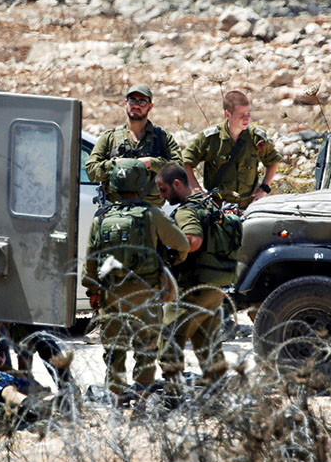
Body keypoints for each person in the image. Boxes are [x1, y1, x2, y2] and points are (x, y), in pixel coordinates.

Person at [82, 158, 190, 400]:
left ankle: (117, 404)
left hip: (112, 295)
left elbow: (91, 259)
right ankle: (141, 407)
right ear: (142, 184)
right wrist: (173, 261)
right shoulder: (152, 215)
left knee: (114, 351)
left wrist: (93, 292)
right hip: (146, 294)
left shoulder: (101, 217)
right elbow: (182, 243)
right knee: (146, 350)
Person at [156, 164, 235, 383]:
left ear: (177, 184)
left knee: (169, 338)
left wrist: (171, 255)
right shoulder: (207, 203)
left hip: (191, 288)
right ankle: (217, 391)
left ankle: (172, 394)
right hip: (213, 288)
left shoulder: (186, 210)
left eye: (163, 189)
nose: (162, 196)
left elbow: (193, 240)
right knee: (207, 342)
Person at [84, 85, 182, 207]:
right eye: (132, 100)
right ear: (126, 103)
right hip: (116, 212)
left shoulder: (162, 138)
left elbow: (179, 170)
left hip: (151, 213)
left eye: (142, 101)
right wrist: (114, 164)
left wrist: (152, 163)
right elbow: (91, 170)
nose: (136, 105)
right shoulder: (110, 137)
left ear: (150, 106)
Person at [182, 90, 281, 209]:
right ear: (228, 114)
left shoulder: (256, 138)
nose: (246, 119)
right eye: (241, 115)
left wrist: (263, 188)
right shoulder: (211, 138)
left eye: (248, 114)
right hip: (216, 208)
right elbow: (185, 162)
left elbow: (273, 161)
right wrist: (198, 191)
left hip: (247, 207)